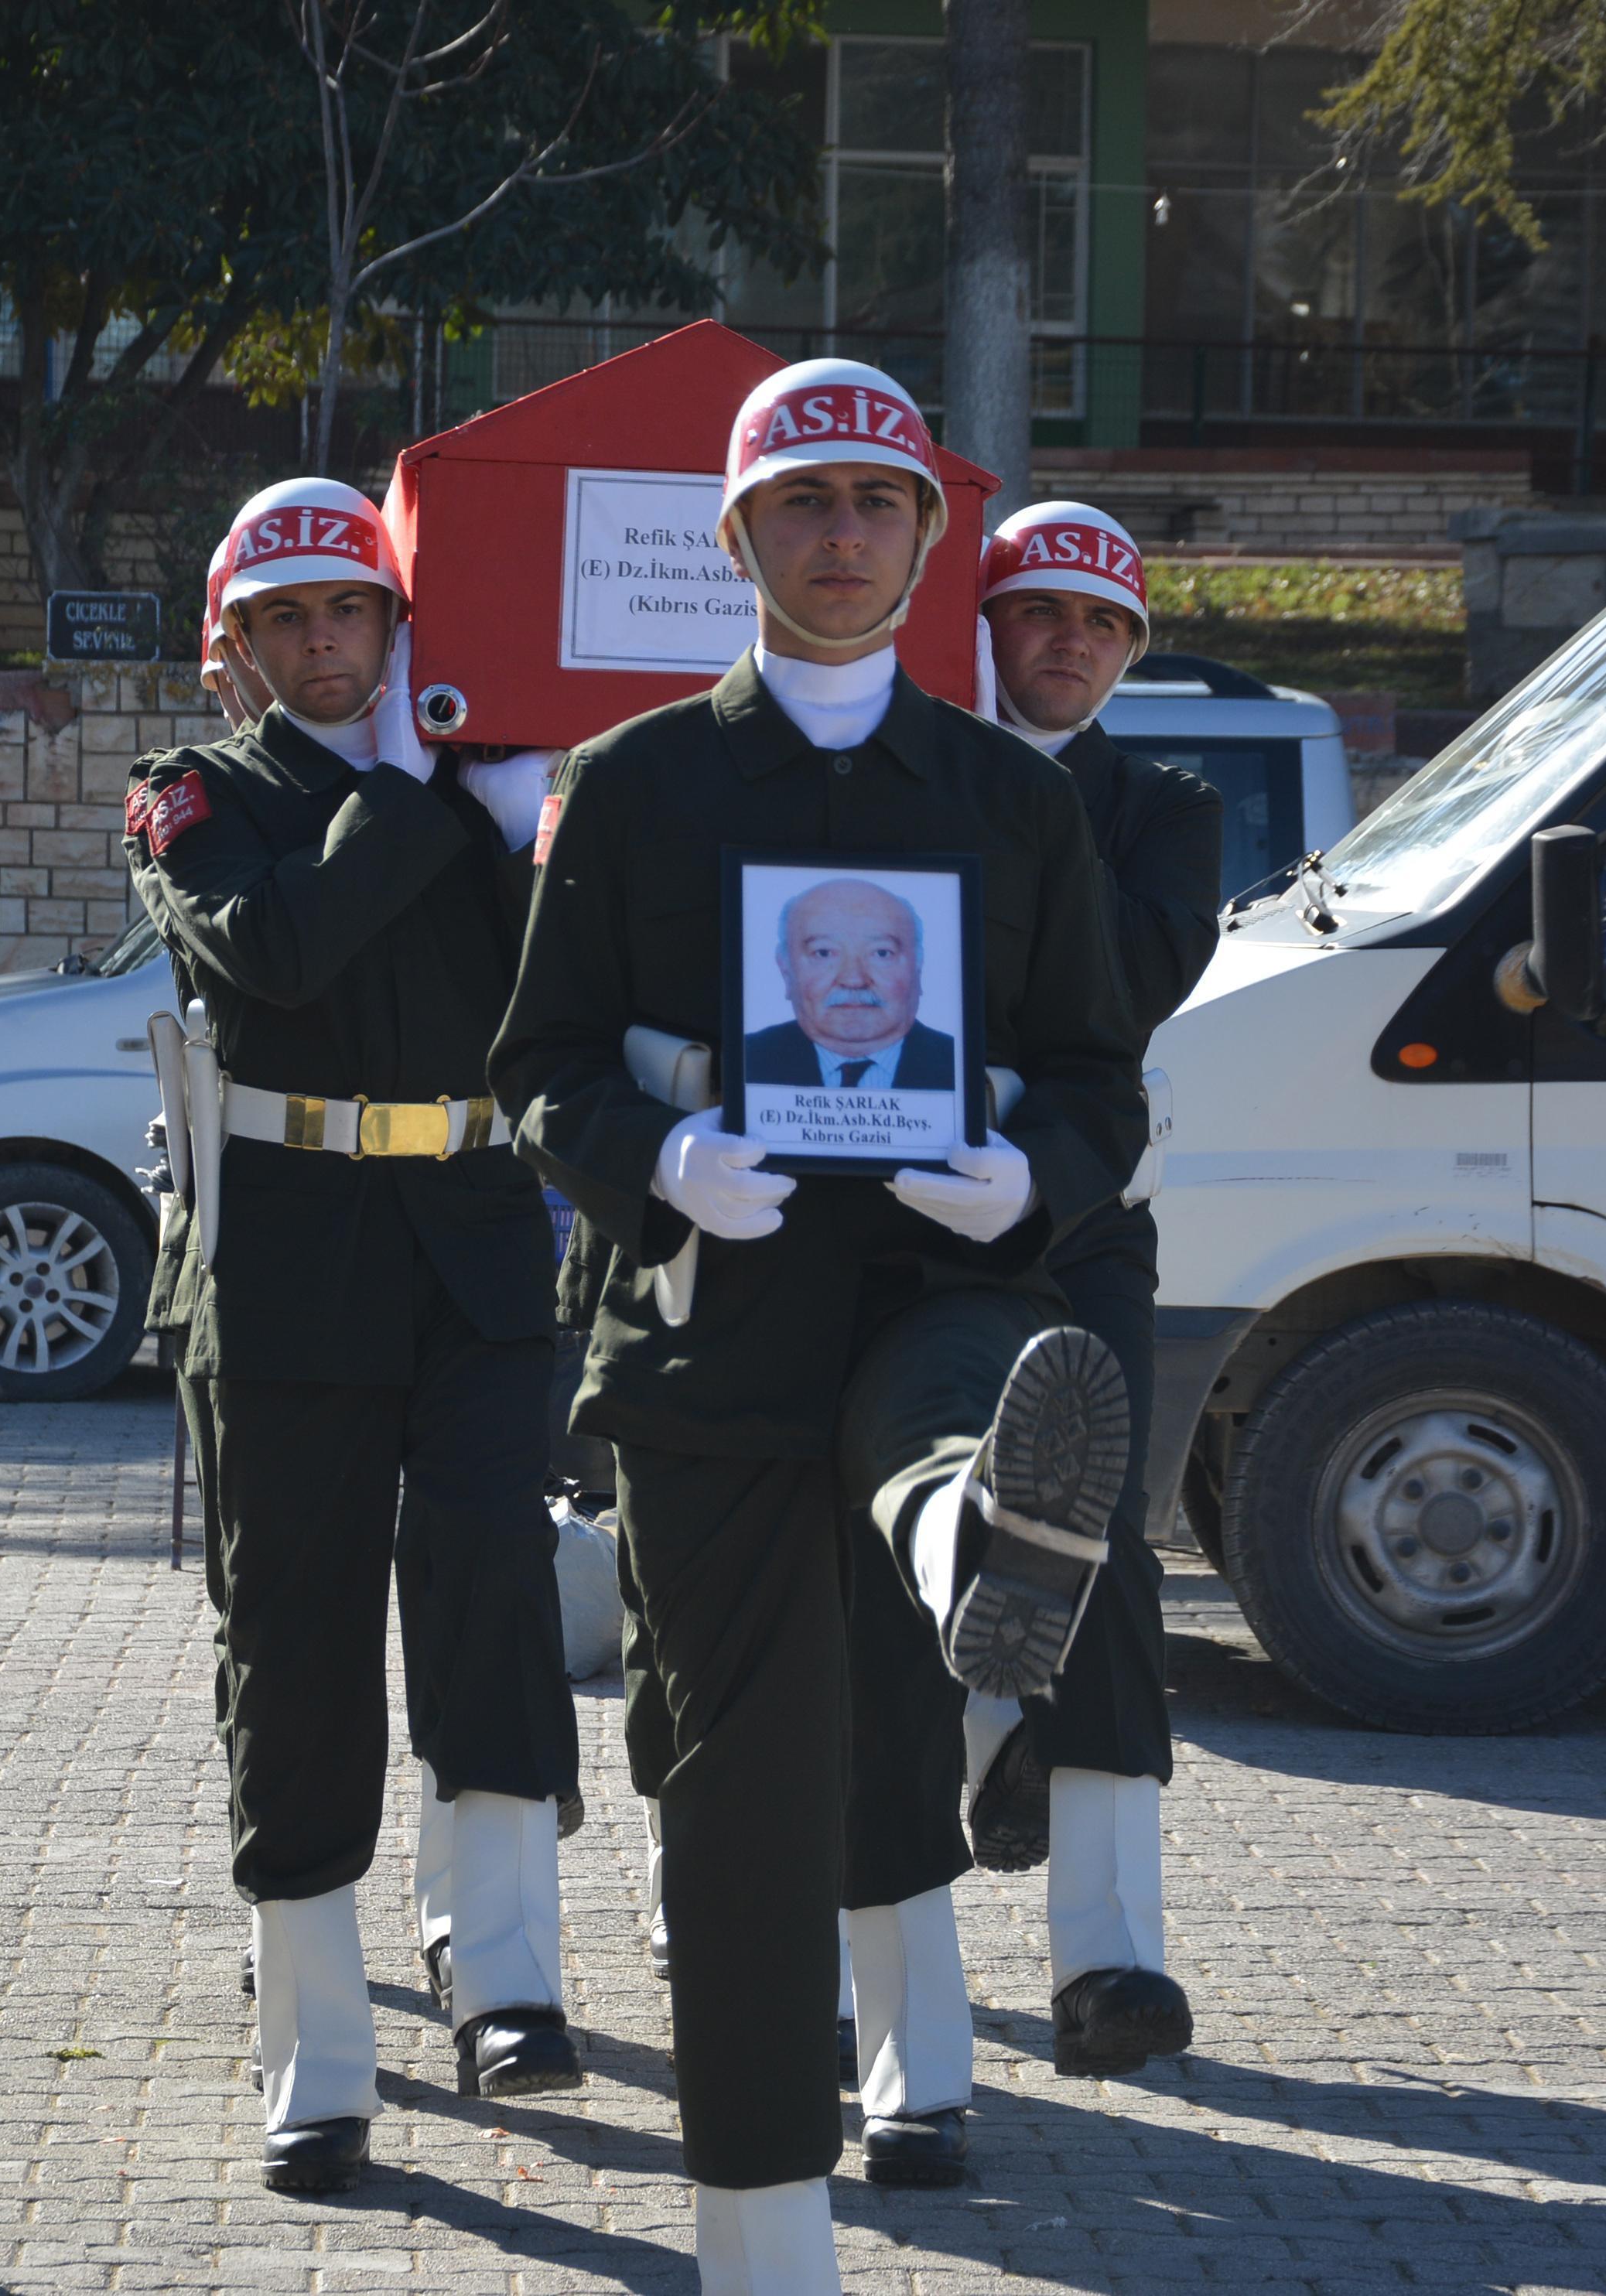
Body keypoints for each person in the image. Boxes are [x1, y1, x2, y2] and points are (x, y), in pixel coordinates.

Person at [494, 362, 1148, 2290]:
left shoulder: (1011, 802)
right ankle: (765, 2238)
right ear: (737, 538)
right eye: (803, 505)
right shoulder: (632, 788)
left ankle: (977, 1544)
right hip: (716, 1336)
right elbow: (534, 1064)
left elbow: (1099, 1081)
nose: (842, 535)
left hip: (946, 1290)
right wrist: (655, 1153)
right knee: (746, 1801)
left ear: (930, 539)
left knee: (962, 1426)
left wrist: (1035, 1186)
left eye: (877, 504)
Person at [125, 477, 581, 2197]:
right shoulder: (193, 798)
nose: (325, 646)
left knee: (488, 1575)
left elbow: (575, 976)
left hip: (470, 1241)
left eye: (354, 615)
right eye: (287, 621)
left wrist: (522, 811)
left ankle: (506, 1964)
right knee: (300, 1631)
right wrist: (411, 793)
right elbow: (278, 952)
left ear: (401, 625)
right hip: (287, 1259)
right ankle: (316, 2043)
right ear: (232, 650)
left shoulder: (480, 788)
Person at [835, 497, 1226, 2189]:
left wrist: (1017, 824)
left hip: (1078, 1225)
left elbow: (1128, 981)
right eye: (1037, 613)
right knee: (920, 1557)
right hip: (896, 1227)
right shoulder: (904, 769)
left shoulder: (1163, 807)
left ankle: (1105, 1960)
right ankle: (977, 1774)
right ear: (977, 625)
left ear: (1129, 653)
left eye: (1100, 625)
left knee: (1111, 1553)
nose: (1066, 642)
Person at [742, 878, 957, 1089]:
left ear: (918, 967)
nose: (853, 979)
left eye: (881, 953)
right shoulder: (747, 1059)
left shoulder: (957, 1066)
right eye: (824, 953)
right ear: (786, 970)